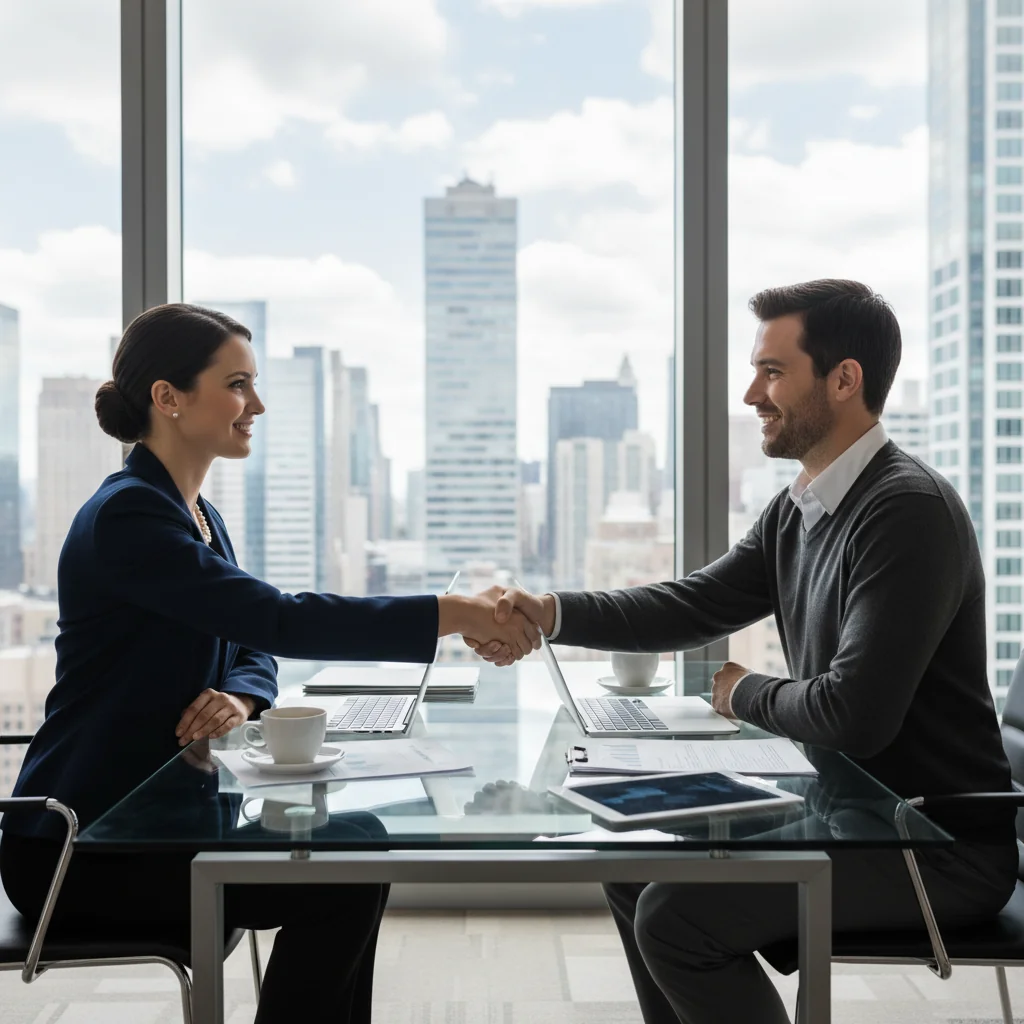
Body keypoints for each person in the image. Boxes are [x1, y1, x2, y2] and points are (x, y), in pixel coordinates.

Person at [470, 279, 1020, 1024]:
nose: (750, 393)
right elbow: (693, 602)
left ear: (844, 379)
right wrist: (551, 612)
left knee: (676, 918)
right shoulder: (803, 505)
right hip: (845, 812)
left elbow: (855, 716)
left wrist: (741, 690)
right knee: (632, 858)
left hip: (932, 847)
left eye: (772, 371)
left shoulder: (905, 511)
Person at [0, 302, 538, 1024]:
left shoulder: (196, 515)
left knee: (360, 843)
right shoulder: (129, 516)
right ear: (169, 397)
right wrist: (458, 616)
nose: (257, 404)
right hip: (80, 845)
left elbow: (248, 645)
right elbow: (277, 618)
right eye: (237, 384)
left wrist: (243, 700)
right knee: (341, 874)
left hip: (167, 817)